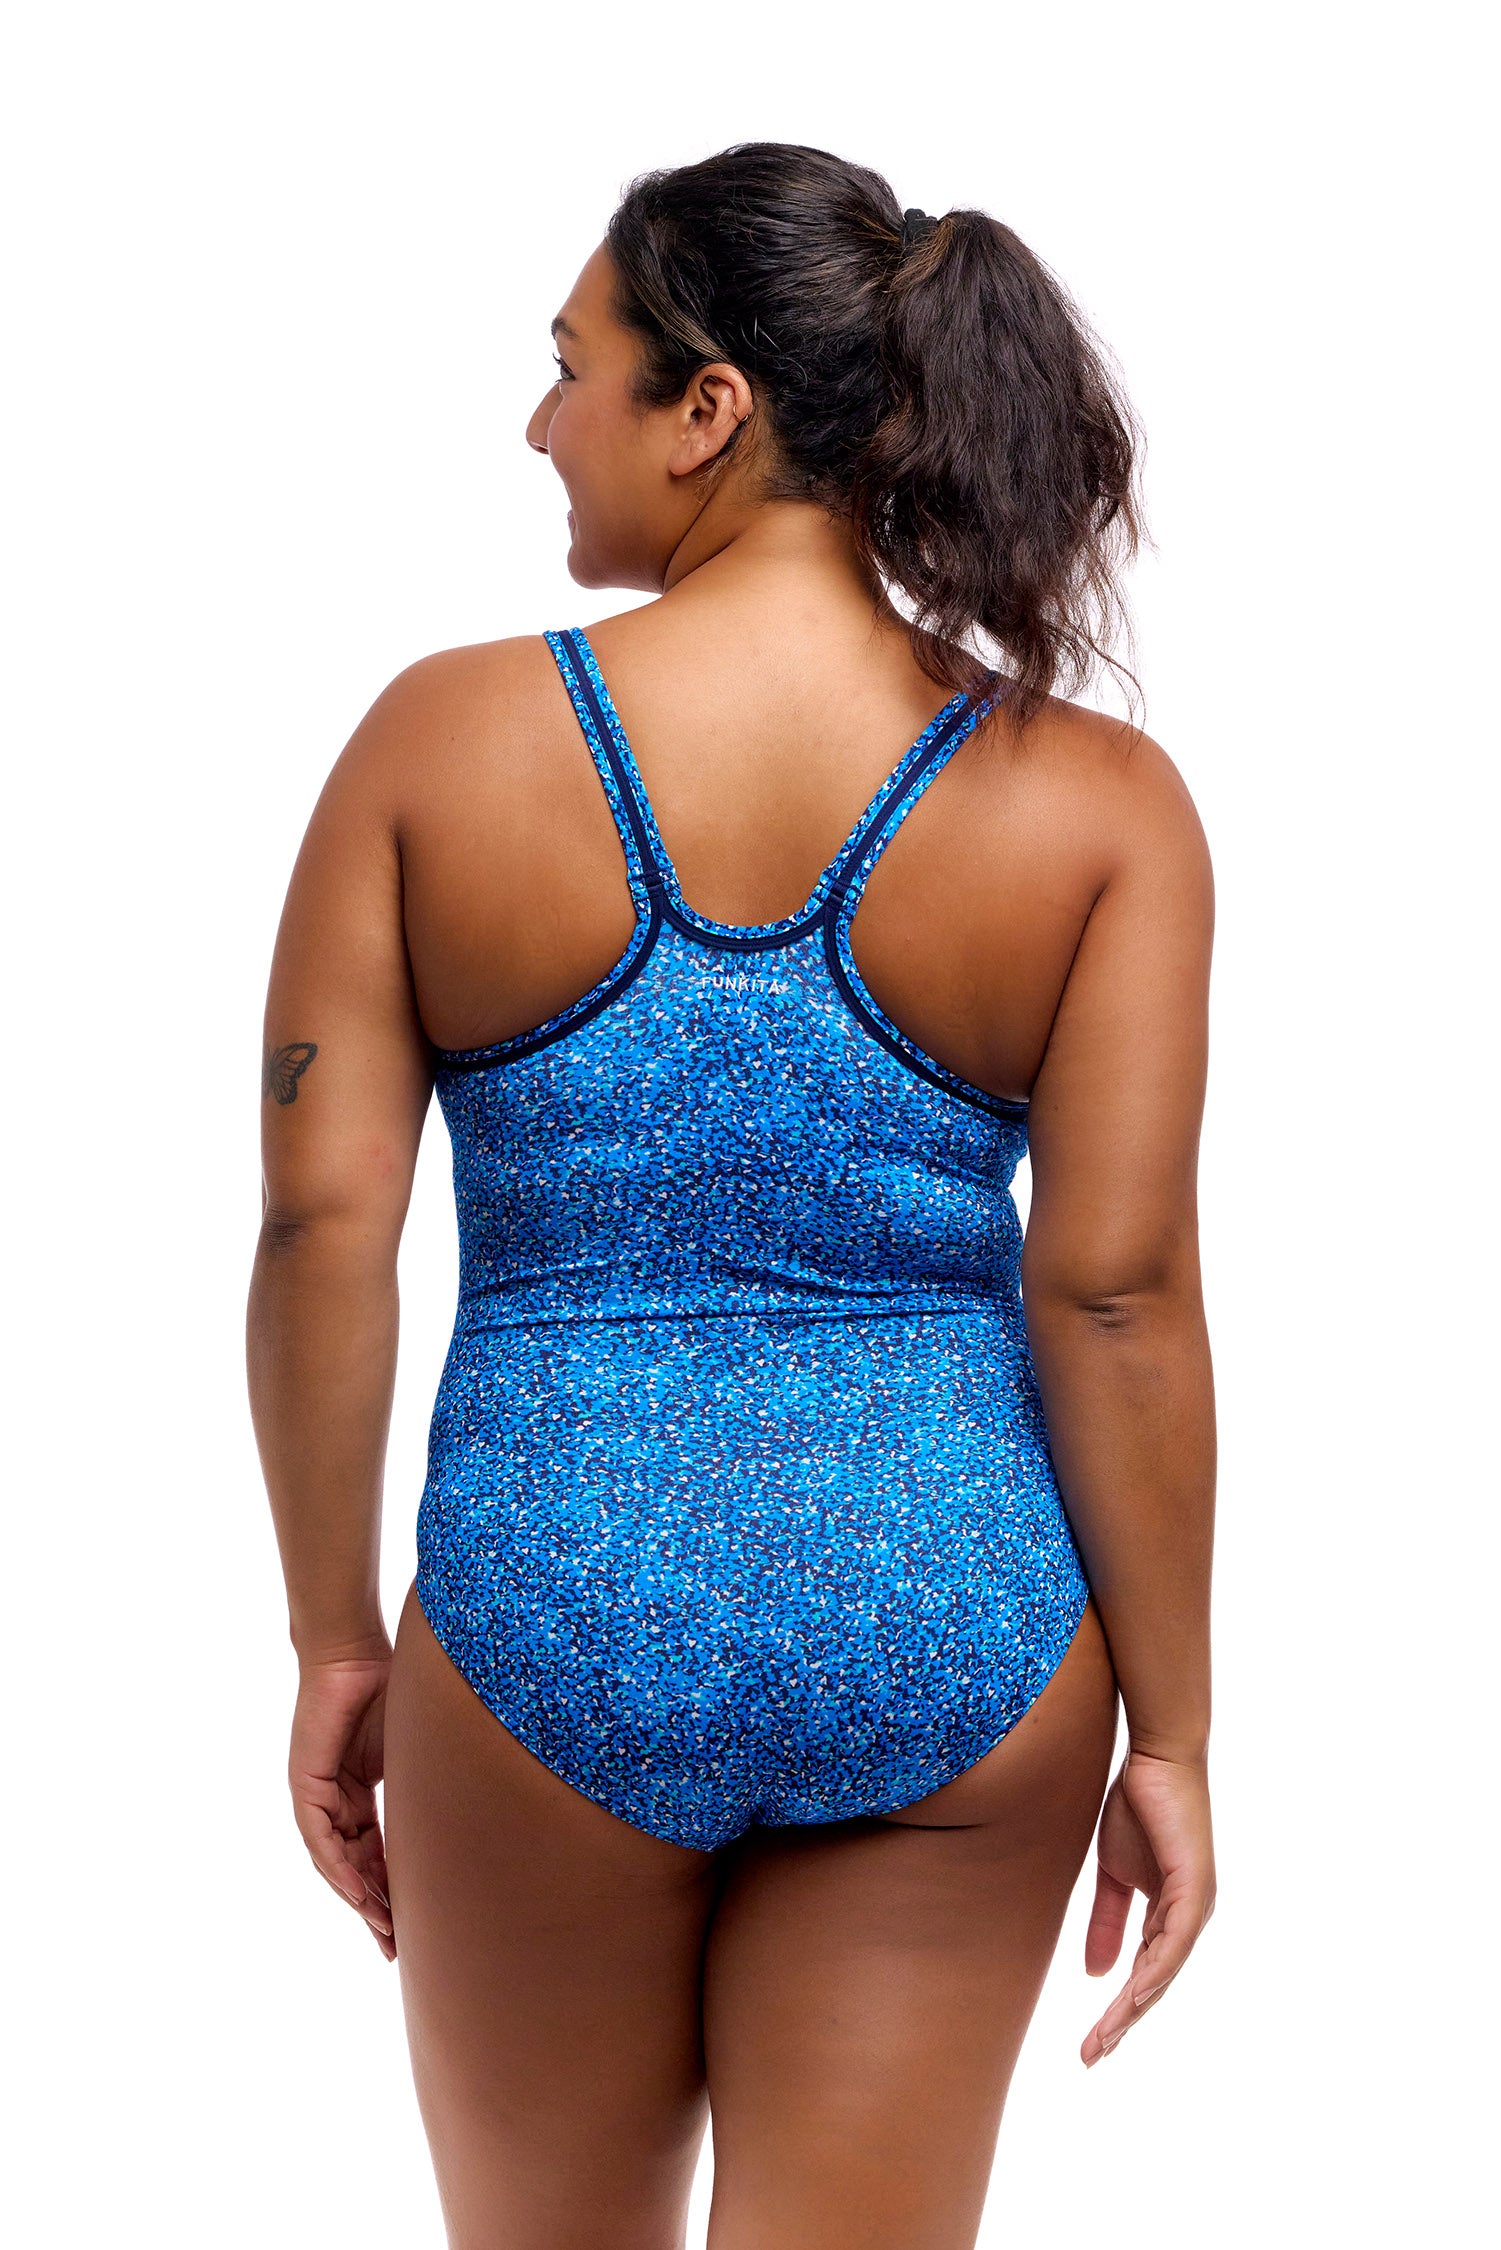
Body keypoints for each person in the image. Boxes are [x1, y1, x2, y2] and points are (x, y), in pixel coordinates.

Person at [248, 141, 1217, 2250]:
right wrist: (1172, 1726)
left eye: (569, 365)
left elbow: (324, 1233)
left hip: (551, 1609)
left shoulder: (437, 745)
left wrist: (333, 1640)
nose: (540, 423)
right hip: (955, 1629)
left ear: (708, 409)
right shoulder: (1096, 803)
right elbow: (1115, 1292)